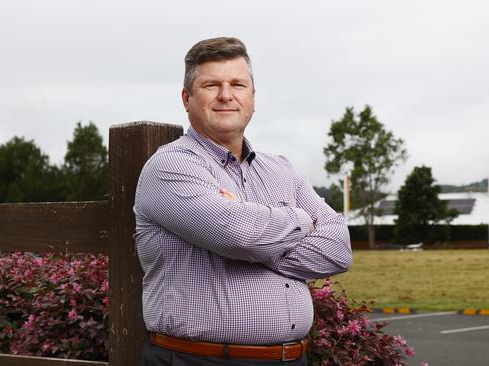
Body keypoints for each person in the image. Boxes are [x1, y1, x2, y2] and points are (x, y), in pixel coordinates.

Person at [134, 37, 352, 366]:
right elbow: (241, 236)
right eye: (211, 85)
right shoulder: (170, 166)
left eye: (237, 84)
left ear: (252, 97)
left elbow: (338, 249)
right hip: (197, 360)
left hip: (293, 359)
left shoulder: (281, 169)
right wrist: (301, 220)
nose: (226, 95)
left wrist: (259, 237)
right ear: (187, 98)